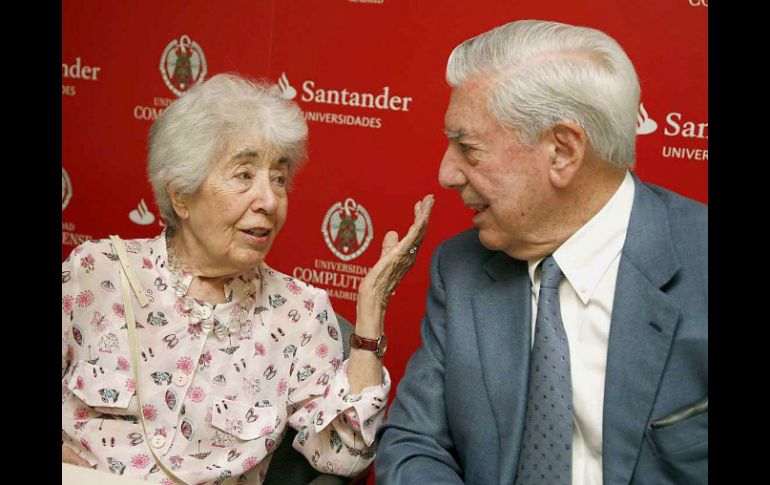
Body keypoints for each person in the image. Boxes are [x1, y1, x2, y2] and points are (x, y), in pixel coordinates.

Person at [376, 19, 707, 485]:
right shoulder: (461, 269)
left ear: (562, 152)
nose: (446, 173)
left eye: (468, 149)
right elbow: (415, 443)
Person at [61, 73, 434, 484]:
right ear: (181, 195)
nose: (270, 201)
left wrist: (370, 313)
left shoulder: (299, 314)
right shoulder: (96, 273)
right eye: (244, 175)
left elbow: (343, 458)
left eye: (278, 178)